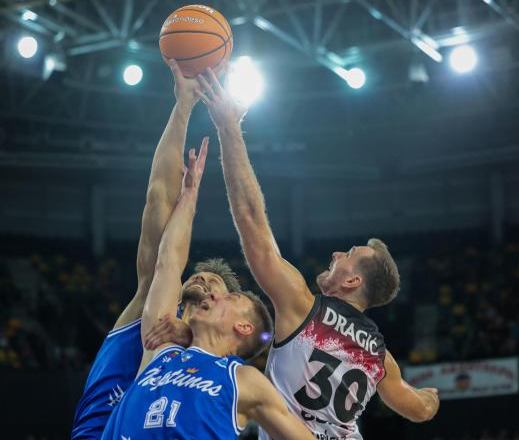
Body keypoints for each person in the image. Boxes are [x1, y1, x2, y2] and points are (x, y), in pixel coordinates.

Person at [196, 69, 441, 440]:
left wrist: (229, 127)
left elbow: (250, 218)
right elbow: (418, 410)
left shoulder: (301, 307)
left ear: (352, 280)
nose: (337, 251)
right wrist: (431, 398)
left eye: (349, 254)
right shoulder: (380, 357)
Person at [101, 138, 316, 440]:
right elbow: (168, 263)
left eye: (231, 296)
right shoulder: (161, 348)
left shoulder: (244, 380)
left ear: (244, 327)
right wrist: (189, 195)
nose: (213, 294)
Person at [71, 61, 239, 440]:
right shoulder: (156, 297)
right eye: (198, 273)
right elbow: (158, 199)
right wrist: (183, 107)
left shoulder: (225, 358)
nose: (200, 278)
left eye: (212, 282)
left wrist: (190, 338)